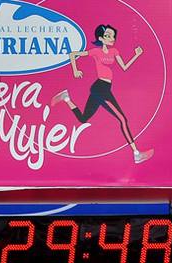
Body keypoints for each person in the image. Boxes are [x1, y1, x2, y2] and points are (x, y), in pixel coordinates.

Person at [50, 24, 153, 164]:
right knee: (122, 119)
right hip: (100, 88)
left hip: (103, 89)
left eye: (113, 36)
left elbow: (124, 67)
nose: (112, 38)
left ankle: (66, 98)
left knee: (83, 118)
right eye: (108, 36)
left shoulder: (114, 51)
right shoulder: (96, 52)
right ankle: (136, 154)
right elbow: (73, 54)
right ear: (101, 38)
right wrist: (75, 70)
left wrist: (136, 55)